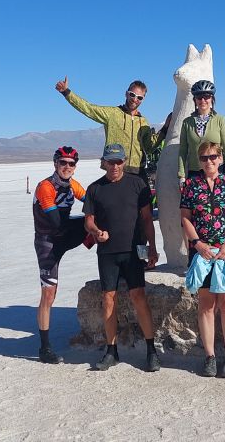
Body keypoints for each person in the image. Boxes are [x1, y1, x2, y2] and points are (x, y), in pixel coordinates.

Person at [83, 143, 162, 372]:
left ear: (124, 161)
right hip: (107, 252)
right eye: (110, 161)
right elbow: (88, 220)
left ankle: (151, 350)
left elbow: (147, 219)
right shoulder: (95, 188)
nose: (115, 166)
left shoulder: (137, 184)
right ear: (103, 162)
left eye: (119, 161)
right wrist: (96, 232)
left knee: (138, 295)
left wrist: (153, 248)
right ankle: (111, 351)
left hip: (133, 250)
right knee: (108, 297)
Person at [180, 141, 225, 378]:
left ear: (220, 159)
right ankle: (209, 356)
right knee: (206, 303)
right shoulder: (191, 185)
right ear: (200, 160)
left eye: (213, 157)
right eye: (204, 158)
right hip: (201, 251)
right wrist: (197, 243)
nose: (209, 161)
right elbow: (185, 217)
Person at [32, 146, 88, 364]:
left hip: (63, 236)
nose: (67, 167)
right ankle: (44, 348)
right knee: (48, 294)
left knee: (100, 222)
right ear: (55, 164)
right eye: (62, 163)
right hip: (48, 242)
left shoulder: (72, 184)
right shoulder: (45, 187)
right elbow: (56, 222)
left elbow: (91, 199)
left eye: (71, 164)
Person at [55, 76, 172, 180]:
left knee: (142, 204)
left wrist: (165, 128)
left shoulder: (143, 121)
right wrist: (67, 92)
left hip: (138, 172)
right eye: (132, 94)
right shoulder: (112, 114)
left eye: (139, 97)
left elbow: (149, 147)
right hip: (115, 170)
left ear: (143, 99)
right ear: (126, 93)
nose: (135, 99)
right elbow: (88, 109)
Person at [177, 80, 225, 182]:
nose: (203, 100)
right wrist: (181, 175)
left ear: (212, 99)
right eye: (199, 97)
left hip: (217, 171)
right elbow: (183, 150)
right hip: (195, 172)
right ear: (194, 100)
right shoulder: (187, 122)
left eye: (206, 96)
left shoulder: (220, 120)